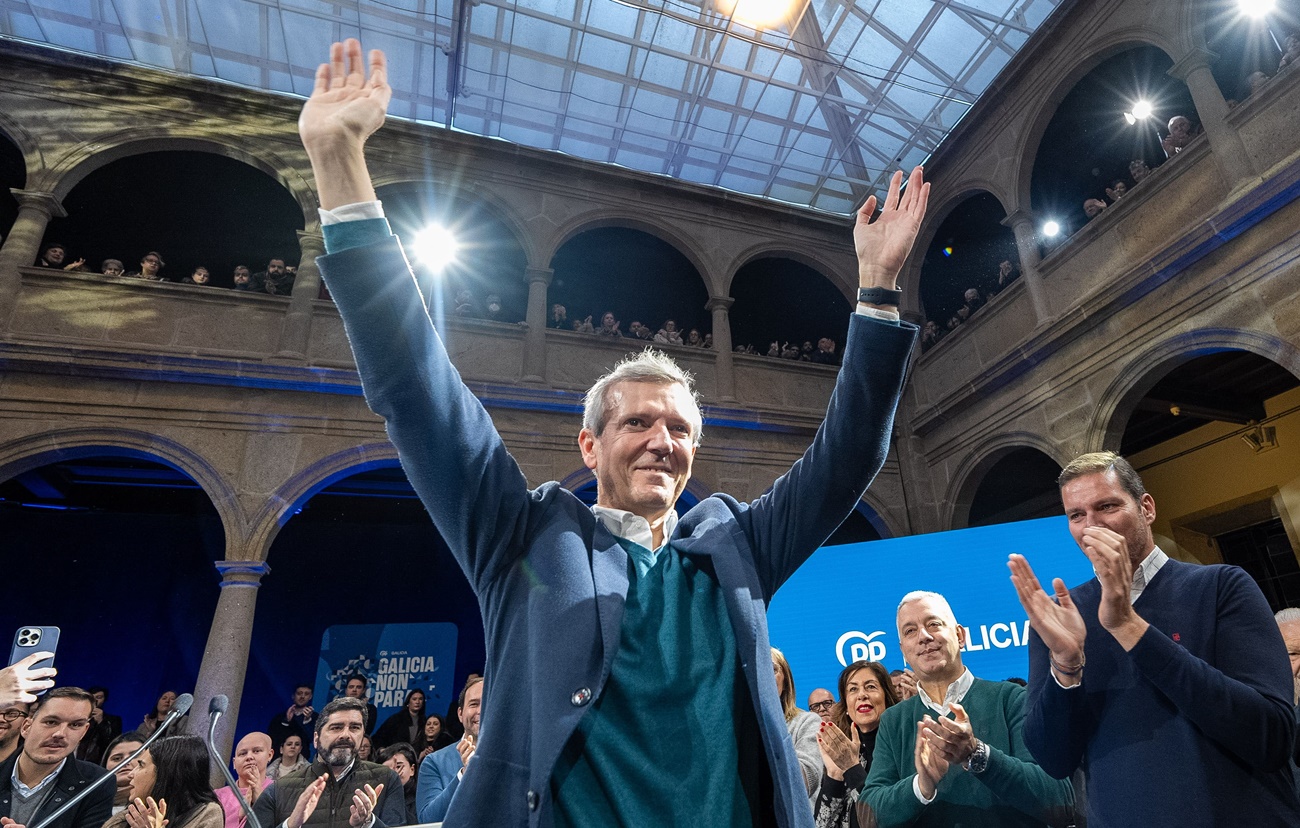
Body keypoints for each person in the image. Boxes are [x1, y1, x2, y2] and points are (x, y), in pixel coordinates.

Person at [300, 39, 922, 828]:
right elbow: (416, 391)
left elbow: (850, 456)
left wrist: (876, 290)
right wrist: (340, 172)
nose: (662, 439)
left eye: (680, 428)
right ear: (589, 446)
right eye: (637, 422)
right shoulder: (520, 537)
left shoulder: (736, 547)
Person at [1009, 451, 1300, 826]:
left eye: (1107, 506)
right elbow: (1054, 759)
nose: (1091, 527)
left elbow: (1271, 737)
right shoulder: (1060, 618)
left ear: (1146, 508)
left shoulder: (1222, 586)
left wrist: (1129, 627)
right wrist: (1066, 666)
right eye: (1076, 515)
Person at [862, 593, 1073, 827]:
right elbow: (868, 815)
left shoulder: (1011, 698)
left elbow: (1060, 800)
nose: (923, 636)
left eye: (934, 624)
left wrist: (977, 755)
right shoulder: (893, 721)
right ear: (903, 650)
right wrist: (920, 786)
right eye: (910, 631)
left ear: (960, 635)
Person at [251, 697, 404, 828]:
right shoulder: (278, 789)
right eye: (336, 728)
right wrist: (290, 825)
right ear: (316, 739)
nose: (346, 735)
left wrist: (370, 823)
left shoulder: (387, 779)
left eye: (355, 728)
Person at [0, 687, 113, 828]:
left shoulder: (97, 783)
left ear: (83, 732)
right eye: (51, 722)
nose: (60, 733)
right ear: (26, 727)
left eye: (75, 725)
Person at [812, 661, 898, 828]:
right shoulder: (842, 752)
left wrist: (851, 768)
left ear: (887, 697)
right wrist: (834, 775)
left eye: (871, 687)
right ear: (845, 706)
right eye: (853, 689)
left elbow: (880, 818)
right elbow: (821, 825)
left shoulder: (899, 747)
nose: (862, 695)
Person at [103, 735, 223, 828]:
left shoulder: (206, 814)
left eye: (141, 765)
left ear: (166, 772)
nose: (131, 774)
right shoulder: (126, 818)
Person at [414, 678, 481, 824]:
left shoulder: (519, 758)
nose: (481, 710)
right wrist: (465, 774)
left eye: (488, 703)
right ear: (460, 714)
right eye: (474, 704)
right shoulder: (434, 762)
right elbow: (428, 820)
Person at [771, 648, 822, 796]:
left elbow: (805, 780)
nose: (764, 676)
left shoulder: (807, 722)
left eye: (772, 669)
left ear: (786, 680)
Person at [215, 732, 273, 828]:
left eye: (256, 751)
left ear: (270, 755)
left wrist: (260, 803)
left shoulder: (279, 792)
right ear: (234, 763)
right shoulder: (218, 796)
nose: (249, 757)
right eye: (242, 753)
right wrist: (239, 816)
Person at [102, 732, 146, 815]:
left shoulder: (164, 801)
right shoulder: (89, 802)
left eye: (135, 755)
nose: (125, 761)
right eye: (117, 758)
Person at [77, 687, 122, 764]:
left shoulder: (113, 720)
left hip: (99, 761)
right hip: (78, 759)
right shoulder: (80, 718)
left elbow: (112, 742)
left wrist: (101, 722)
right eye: (92, 697)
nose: (95, 701)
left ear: (104, 699)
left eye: (99, 697)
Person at [268, 685, 315, 756]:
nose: (302, 696)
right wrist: (286, 722)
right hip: (279, 759)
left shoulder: (315, 717)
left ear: (310, 697)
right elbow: (272, 739)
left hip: (302, 761)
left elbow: (313, 740)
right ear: (293, 696)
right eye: (299, 693)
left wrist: (307, 721)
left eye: (306, 694)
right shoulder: (280, 717)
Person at [378, 744, 417, 824]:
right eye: (386, 769)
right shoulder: (376, 799)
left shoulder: (420, 798)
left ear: (412, 770)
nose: (393, 774)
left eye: (398, 767)